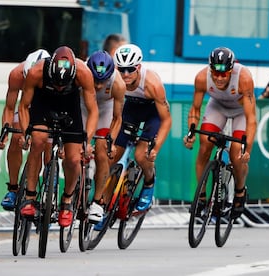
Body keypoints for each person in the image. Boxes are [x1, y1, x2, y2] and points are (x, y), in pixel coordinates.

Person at [18, 46, 99, 227]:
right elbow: (23, 107)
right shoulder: (37, 71)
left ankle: (67, 199)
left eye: (63, 84)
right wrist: (26, 134)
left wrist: (87, 141)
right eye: (56, 82)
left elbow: (93, 112)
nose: (59, 87)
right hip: (43, 103)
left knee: (72, 158)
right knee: (38, 140)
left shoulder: (83, 73)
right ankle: (30, 196)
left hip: (69, 107)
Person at [184, 47, 257, 219]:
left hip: (240, 112)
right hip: (218, 107)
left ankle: (240, 192)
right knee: (204, 144)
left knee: (237, 154)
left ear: (231, 70)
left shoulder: (244, 78)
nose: (218, 77)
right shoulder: (202, 77)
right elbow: (195, 109)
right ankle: (201, 197)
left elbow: (251, 118)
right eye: (215, 72)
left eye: (224, 74)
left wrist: (247, 150)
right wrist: (191, 132)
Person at [112, 44, 172, 212]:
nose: (125, 74)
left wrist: (156, 148)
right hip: (131, 109)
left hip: (153, 113)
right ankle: (104, 204)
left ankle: (149, 181)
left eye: (130, 69)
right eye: (122, 69)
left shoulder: (152, 84)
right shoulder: (115, 79)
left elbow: (167, 120)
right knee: (111, 156)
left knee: (141, 155)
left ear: (138, 67)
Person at [0, 49, 50, 211]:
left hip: (47, 105)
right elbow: (10, 109)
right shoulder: (16, 75)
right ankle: (13, 189)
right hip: (26, 106)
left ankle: (48, 186)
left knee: (45, 142)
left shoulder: (52, 76)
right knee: (15, 137)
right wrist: (5, 131)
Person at [82, 50, 126, 223]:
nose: (99, 86)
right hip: (83, 107)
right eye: (95, 80)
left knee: (102, 152)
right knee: (76, 148)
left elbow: (117, 118)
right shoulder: (81, 74)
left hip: (105, 111)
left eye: (103, 81)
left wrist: (111, 142)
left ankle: (97, 201)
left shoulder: (118, 84)